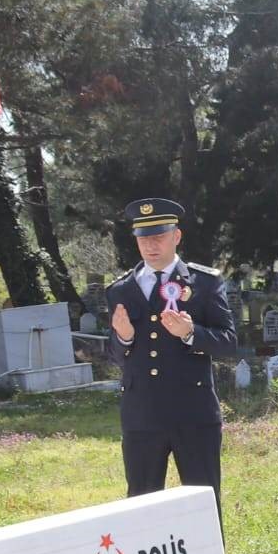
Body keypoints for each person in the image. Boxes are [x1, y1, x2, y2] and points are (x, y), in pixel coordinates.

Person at [105, 198, 238, 511]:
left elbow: (229, 343)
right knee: (141, 506)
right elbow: (114, 355)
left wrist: (191, 334)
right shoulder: (120, 290)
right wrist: (123, 338)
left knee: (204, 504)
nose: (151, 245)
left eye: (159, 237)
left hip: (192, 412)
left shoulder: (203, 282)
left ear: (176, 236)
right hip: (142, 415)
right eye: (143, 238)